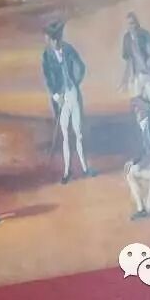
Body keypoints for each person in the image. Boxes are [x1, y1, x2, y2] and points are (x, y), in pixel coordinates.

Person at [41, 20, 95, 183]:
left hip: (72, 93)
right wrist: (56, 95)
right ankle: (67, 171)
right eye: (52, 39)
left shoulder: (69, 50)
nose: (55, 42)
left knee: (78, 133)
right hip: (60, 98)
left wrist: (74, 82)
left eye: (57, 38)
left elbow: (81, 67)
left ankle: (85, 168)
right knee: (65, 134)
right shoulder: (47, 56)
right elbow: (48, 78)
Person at [120, 12, 150, 121]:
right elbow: (128, 60)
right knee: (139, 106)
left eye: (133, 23)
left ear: (137, 23)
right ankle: (144, 129)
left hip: (149, 74)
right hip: (137, 76)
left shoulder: (144, 34)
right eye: (129, 24)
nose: (131, 26)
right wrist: (125, 80)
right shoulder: (126, 38)